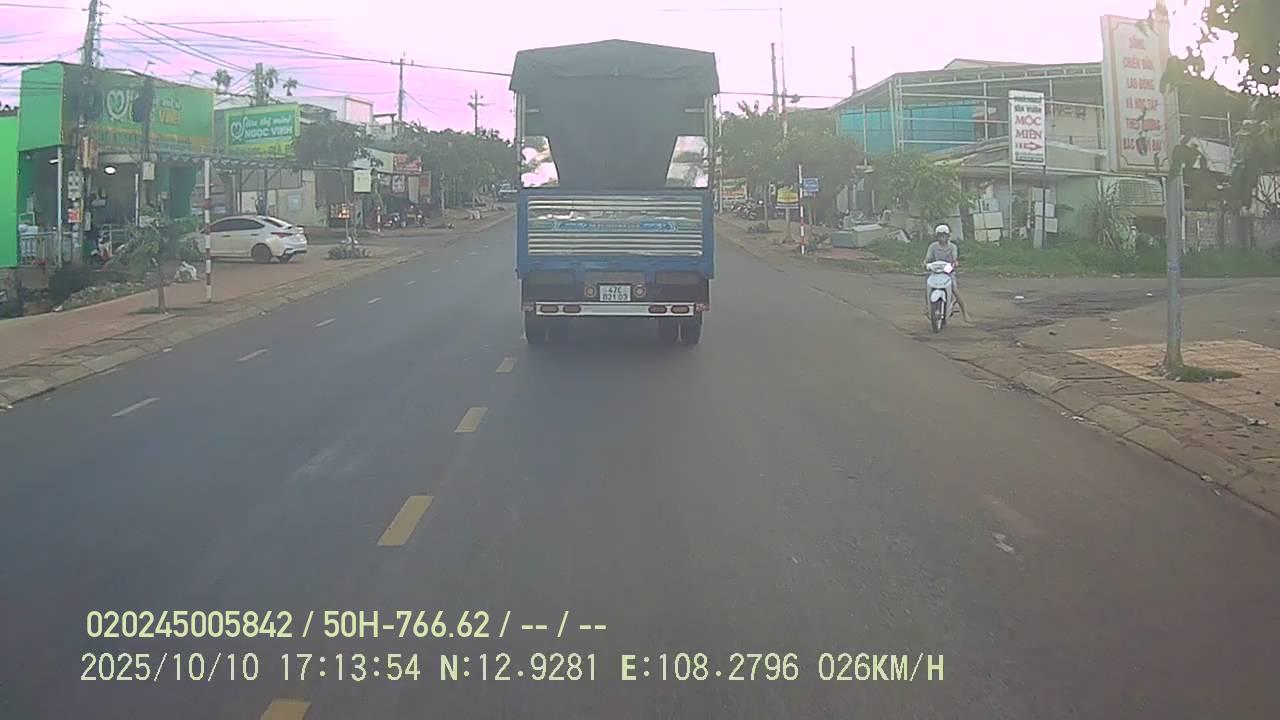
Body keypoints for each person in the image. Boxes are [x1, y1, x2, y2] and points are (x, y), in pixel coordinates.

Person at [923, 224, 968, 321]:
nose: (942, 238)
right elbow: (928, 258)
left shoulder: (952, 247)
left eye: (944, 235)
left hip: (948, 271)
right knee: (927, 286)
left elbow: (954, 258)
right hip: (936, 271)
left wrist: (955, 263)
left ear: (948, 236)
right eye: (940, 235)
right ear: (936, 236)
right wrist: (925, 263)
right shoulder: (933, 246)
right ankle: (927, 306)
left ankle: (965, 314)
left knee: (955, 290)